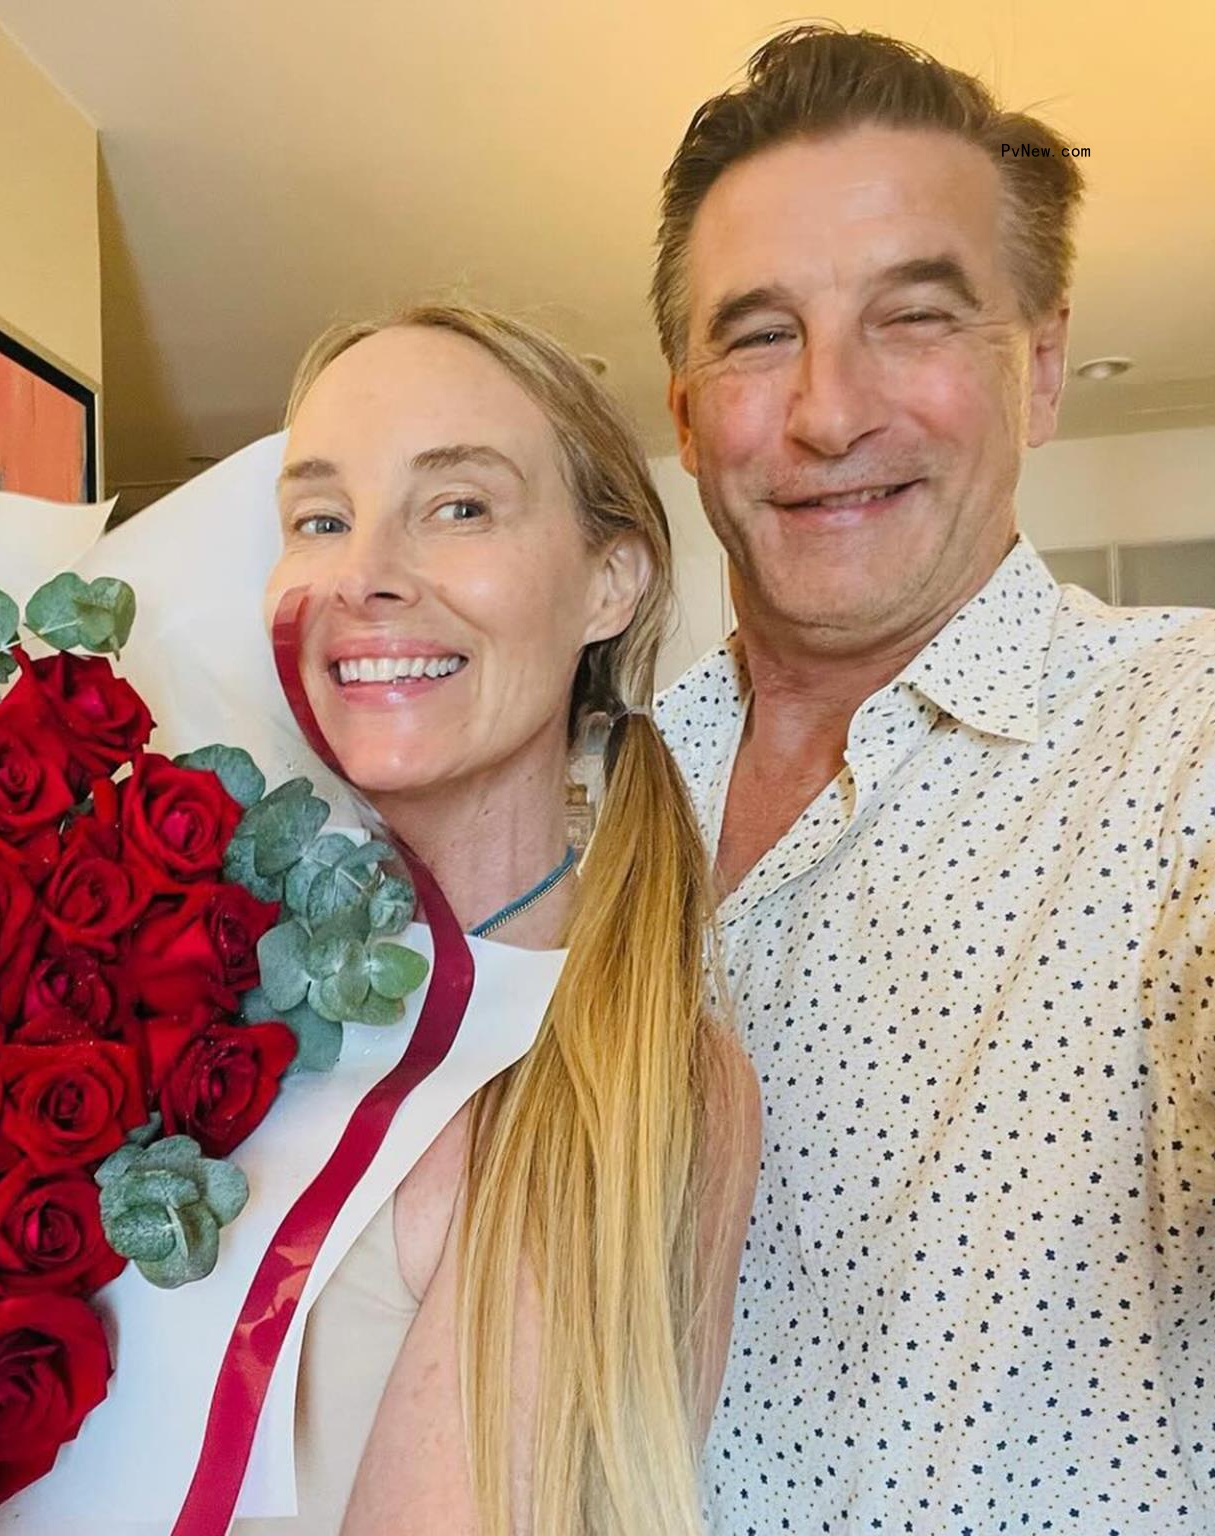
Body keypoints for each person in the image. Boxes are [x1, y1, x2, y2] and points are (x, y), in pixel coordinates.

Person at [651, 25, 1215, 1534]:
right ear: (683, 408)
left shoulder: (1203, 734)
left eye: (913, 319)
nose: (829, 412)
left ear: (1038, 370)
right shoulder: (593, 790)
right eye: (759, 335)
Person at [248, 303, 761, 1536]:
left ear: (609, 580)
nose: (363, 571)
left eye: (460, 506)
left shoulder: (630, 1077)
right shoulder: (176, 974)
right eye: (321, 518)